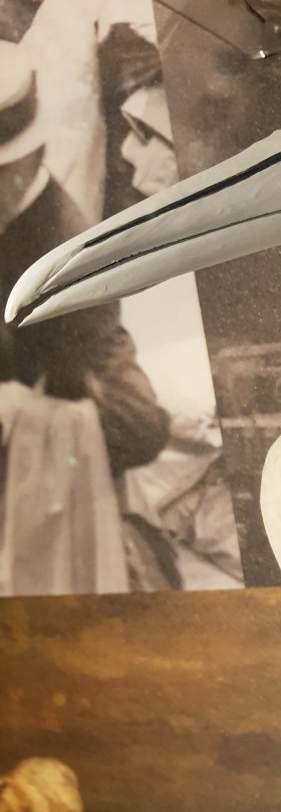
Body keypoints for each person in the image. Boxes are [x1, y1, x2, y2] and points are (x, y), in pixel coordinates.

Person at [0, 40, 170, 592]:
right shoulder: (9, 216)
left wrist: (21, 412)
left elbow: (140, 426)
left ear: (26, 160)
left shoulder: (66, 258)